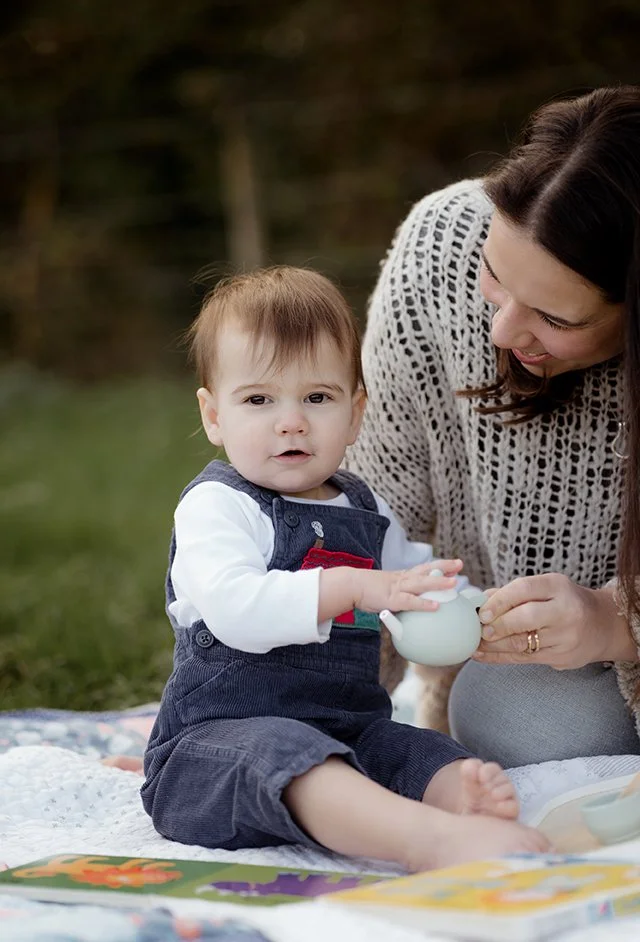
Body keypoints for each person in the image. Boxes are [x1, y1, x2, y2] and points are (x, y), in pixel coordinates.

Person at [140, 266, 548, 871]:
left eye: (317, 397)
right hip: (219, 747)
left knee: (415, 749)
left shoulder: (362, 508)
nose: (291, 421)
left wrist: (480, 608)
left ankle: (462, 802)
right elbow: (236, 610)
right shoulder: (217, 507)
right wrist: (356, 586)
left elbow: (417, 582)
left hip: (349, 729)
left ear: (355, 413)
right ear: (213, 416)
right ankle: (426, 841)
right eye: (258, 399)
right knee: (294, 756)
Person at [346, 84, 640, 769]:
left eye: (557, 319)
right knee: (514, 711)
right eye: (495, 275)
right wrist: (283, 717)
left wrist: (614, 619)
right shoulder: (439, 249)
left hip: (619, 667)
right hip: (522, 680)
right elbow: (367, 523)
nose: (503, 330)